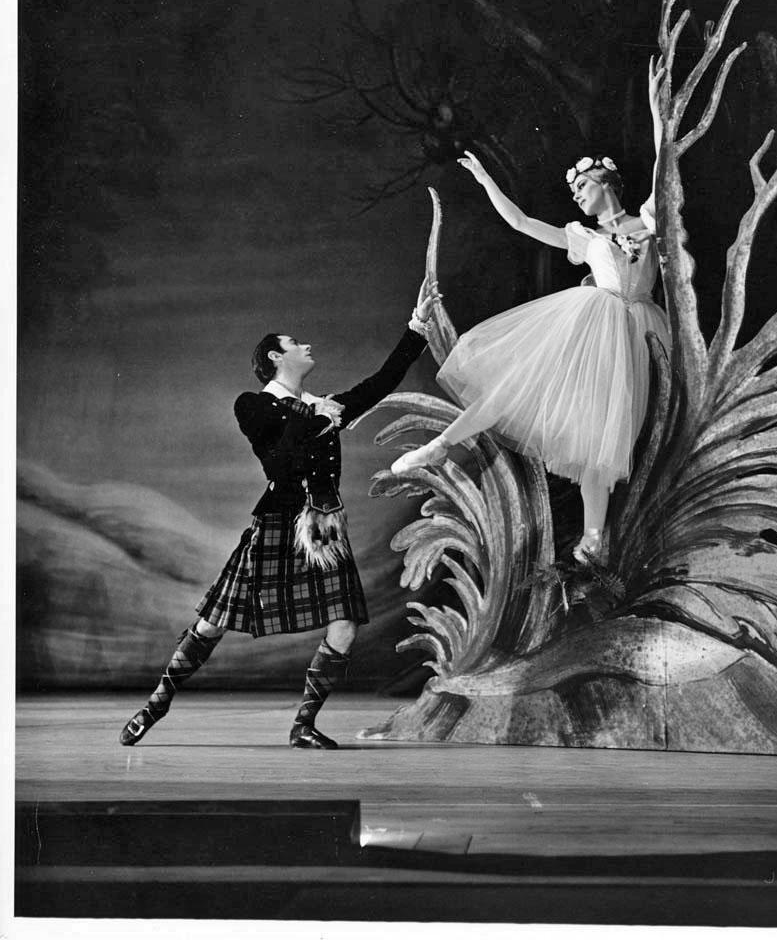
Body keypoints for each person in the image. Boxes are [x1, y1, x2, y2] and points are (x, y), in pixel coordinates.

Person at [119, 280, 440, 751]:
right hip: (276, 522)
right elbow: (280, 461)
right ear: (274, 356)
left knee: (346, 622)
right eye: (295, 343)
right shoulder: (252, 405)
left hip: (323, 524)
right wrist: (317, 419)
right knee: (212, 622)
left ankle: (303, 726)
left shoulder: (324, 405)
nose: (306, 345)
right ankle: (154, 707)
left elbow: (381, 381)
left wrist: (417, 328)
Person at [392, 63, 670, 563]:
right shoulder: (583, 239)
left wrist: (656, 111)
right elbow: (521, 222)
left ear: (604, 182)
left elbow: (665, 168)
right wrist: (484, 180)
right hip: (593, 325)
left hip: (641, 331)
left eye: (582, 188)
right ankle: (440, 445)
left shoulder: (647, 219)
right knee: (519, 392)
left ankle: (593, 540)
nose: (577, 196)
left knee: (605, 440)